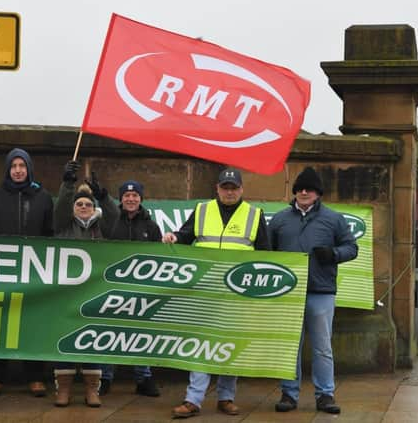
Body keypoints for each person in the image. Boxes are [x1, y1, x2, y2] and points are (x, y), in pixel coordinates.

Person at [163, 167, 270, 418]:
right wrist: (174, 237)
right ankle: (193, 400)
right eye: (225, 187)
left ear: (241, 189)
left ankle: (226, 397)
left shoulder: (255, 214)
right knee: (200, 345)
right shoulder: (202, 210)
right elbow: (185, 235)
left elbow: (266, 253)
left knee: (229, 346)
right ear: (217, 189)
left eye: (234, 188)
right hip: (206, 290)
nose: (229, 192)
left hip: (237, 293)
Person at [269, 167, 358, 415]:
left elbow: (352, 248)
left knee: (322, 347)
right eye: (299, 188)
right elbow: (267, 253)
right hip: (287, 294)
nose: (304, 192)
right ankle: (288, 393)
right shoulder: (279, 220)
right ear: (295, 192)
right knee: (289, 347)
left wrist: (334, 254)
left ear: (318, 193)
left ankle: (325, 395)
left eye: (309, 188)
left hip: (321, 292)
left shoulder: (334, 219)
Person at [0, 148, 53, 398]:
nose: (18, 170)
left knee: (32, 323)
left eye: (22, 165)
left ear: (29, 168)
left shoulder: (43, 197)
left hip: (33, 271)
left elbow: (51, 233)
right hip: (1, 271)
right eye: (13, 166)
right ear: (7, 170)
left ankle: (35, 376)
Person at [51, 160, 114, 407]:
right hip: (66, 294)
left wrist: (103, 196)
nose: (84, 207)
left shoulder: (102, 227)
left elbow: (115, 216)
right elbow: (60, 208)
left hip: (93, 293)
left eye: (88, 203)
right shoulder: (63, 227)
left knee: (92, 339)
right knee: (65, 338)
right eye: (79, 204)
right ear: (73, 208)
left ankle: (92, 389)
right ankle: (63, 389)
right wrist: (68, 184)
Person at [94, 179, 162, 398]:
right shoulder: (111, 222)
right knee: (109, 332)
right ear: (121, 199)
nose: (131, 199)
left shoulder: (151, 226)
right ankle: (105, 378)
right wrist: (102, 197)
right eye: (126, 196)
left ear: (140, 199)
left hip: (142, 288)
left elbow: (159, 257)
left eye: (135, 196)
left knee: (141, 333)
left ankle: (143, 377)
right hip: (113, 286)